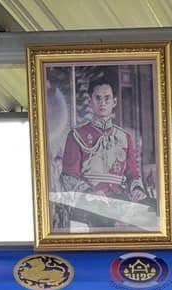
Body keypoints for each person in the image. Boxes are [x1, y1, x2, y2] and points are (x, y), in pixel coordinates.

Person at [58, 73, 148, 229]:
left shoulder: (125, 137)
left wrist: (137, 189)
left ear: (114, 102)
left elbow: (133, 173)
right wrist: (91, 193)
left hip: (120, 200)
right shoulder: (76, 136)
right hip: (88, 205)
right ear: (91, 101)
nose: (102, 103)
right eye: (98, 98)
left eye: (107, 98)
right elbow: (68, 177)